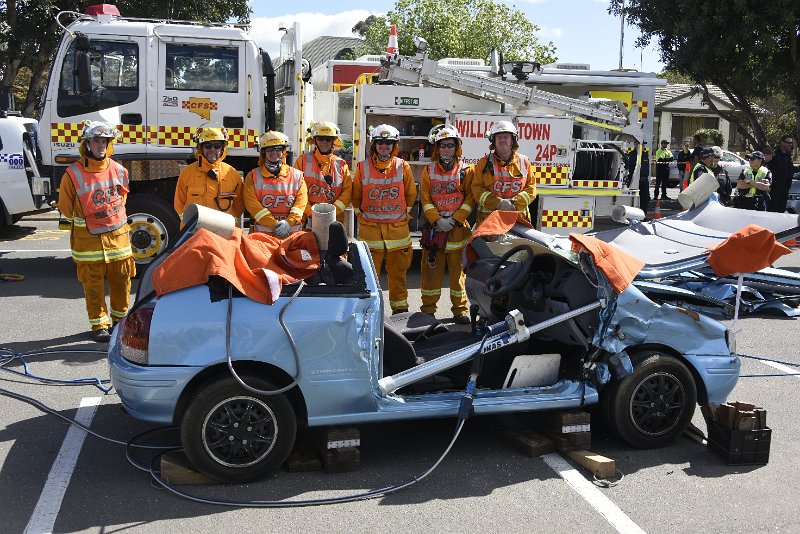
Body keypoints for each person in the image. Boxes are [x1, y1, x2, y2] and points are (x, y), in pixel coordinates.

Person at [58, 121, 134, 342]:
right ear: (87, 143)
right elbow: (66, 206)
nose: (101, 145)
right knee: (93, 285)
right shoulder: (72, 174)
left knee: (122, 281)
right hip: (88, 243)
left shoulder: (120, 170)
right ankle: (99, 324)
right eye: (96, 141)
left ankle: (120, 321)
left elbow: (122, 200)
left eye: (105, 141)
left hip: (118, 241)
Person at [352, 124, 416, 314]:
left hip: (398, 232)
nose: (384, 146)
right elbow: (356, 197)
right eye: (380, 142)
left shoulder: (402, 166)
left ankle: (400, 312)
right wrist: (361, 214)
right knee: (370, 278)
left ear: (394, 145)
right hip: (370, 232)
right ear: (374, 144)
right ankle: (370, 312)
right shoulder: (362, 168)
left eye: (389, 143)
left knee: (398, 276)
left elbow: (411, 194)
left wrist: (404, 213)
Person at [419, 125, 474, 324]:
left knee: (458, 273)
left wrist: (454, 220)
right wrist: (438, 220)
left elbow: (470, 199)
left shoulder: (467, 170)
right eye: (442, 146)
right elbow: (425, 199)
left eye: (450, 145)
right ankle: (428, 310)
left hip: (457, 230)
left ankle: (460, 311)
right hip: (435, 230)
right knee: (431, 272)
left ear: (457, 147)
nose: (446, 149)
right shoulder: (428, 170)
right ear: (437, 148)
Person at [174, 124, 244, 223]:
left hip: (222, 232)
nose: (212, 150)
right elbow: (179, 204)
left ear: (222, 149)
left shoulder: (232, 174)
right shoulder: (187, 173)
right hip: (195, 232)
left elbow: (239, 207)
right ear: (200, 148)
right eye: (208, 146)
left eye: (217, 146)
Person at [471, 121, 536, 227]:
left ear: (512, 141)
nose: (502, 140)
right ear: (493, 142)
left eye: (506, 137)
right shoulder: (484, 163)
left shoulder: (524, 162)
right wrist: (498, 203)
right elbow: (477, 189)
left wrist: (514, 203)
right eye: (499, 138)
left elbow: (531, 189)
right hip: (489, 223)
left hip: (518, 222)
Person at [244, 131, 307, 238]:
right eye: (269, 149)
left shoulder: (297, 176)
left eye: (278, 148)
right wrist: (275, 225)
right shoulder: (253, 176)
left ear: (283, 151)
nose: (274, 152)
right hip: (263, 238)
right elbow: (253, 206)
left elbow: (300, 204)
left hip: (293, 237)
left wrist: (288, 223)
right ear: (263, 152)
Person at [294, 121, 352, 224]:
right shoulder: (302, 161)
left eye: (328, 139)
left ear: (333, 141)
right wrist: (311, 213)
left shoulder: (342, 164)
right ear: (315, 140)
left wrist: (332, 212)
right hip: (308, 220)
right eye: (321, 138)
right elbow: (295, 190)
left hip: (334, 220)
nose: (324, 142)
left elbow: (347, 193)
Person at [767, 135, 795, 213]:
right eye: (788, 142)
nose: (790, 144)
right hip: (775, 187)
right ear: (782, 142)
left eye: (791, 143)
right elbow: (768, 169)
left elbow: (790, 168)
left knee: (781, 209)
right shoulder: (774, 155)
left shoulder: (788, 155)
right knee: (773, 209)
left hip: (785, 187)